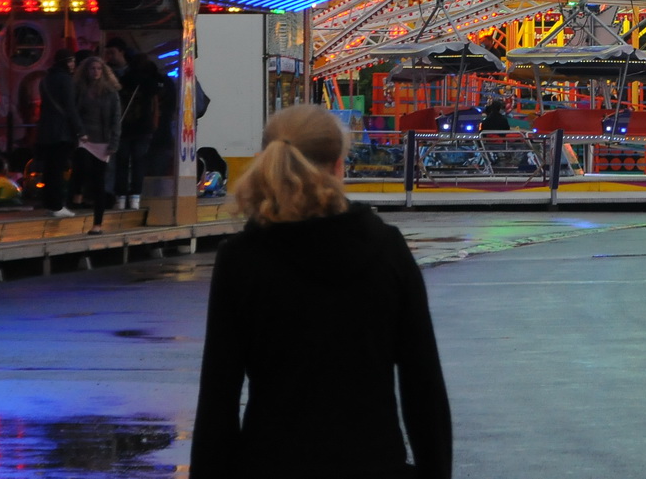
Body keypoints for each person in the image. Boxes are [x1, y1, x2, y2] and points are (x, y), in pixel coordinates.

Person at [192, 104, 451, 479]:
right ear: (339, 166)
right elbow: (423, 386)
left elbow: (219, 395)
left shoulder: (242, 260)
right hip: (373, 463)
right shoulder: (386, 249)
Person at [105, 38, 167, 210]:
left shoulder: (124, 78)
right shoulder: (147, 80)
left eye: (112, 52)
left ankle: (124, 196)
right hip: (139, 127)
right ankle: (132, 196)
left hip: (127, 126)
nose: (109, 56)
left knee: (125, 162)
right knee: (135, 162)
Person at [73, 54, 122, 233]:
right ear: (86, 71)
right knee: (83, 167)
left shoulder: (110, 92)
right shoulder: (80, 89)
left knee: (99, 182)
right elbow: (74, 112)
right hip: (85, 138)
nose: (96, 72)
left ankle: (97, 224)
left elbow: (116, 119)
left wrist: (114, 143)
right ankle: (79, 196)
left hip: (103, 139)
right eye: (92, 68)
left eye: (99, 69)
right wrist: (80, 131)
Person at [36, 50, 82, 218]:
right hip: (62, 131)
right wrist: (80, 130)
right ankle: (57, 205)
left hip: (46, 130)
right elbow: (70, 108)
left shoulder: (46, 79)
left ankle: (50, 204)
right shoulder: (66, 80)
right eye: (71, 61)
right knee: (59, 169)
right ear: (65, 62)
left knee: (49, 169)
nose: (73, 65)